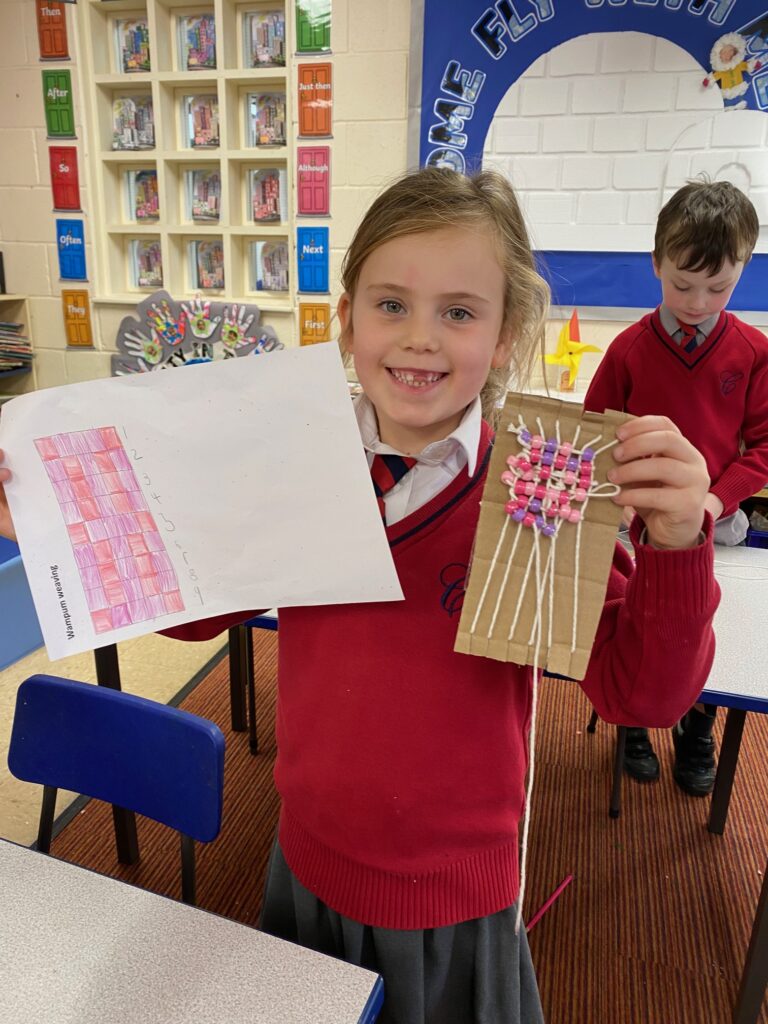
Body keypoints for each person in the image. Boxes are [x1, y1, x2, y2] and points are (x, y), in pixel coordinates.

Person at [0, 167, 720, 1024]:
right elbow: (197, 613)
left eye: (458, 311)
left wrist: (678, 546)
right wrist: (50, 523)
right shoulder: (303, 460)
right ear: (347, 319)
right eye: (390, 304)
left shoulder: (542, 481)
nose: (419, 338)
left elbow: (637, 694)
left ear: (506, 333)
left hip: (455, 897)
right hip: (306, 864)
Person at [584, 178, 767, 798]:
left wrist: (715, 500)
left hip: (716, 522)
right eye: (682, 284)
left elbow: (765, 447)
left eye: (719, 287)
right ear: (657, 262)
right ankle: (633, 725)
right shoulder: (629, 349)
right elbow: (592, 437)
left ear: (743, 268)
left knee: (704, 627)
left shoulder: (753, 351)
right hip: (634, 525)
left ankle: (699, 727)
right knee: (642, 623)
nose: (698, 301)